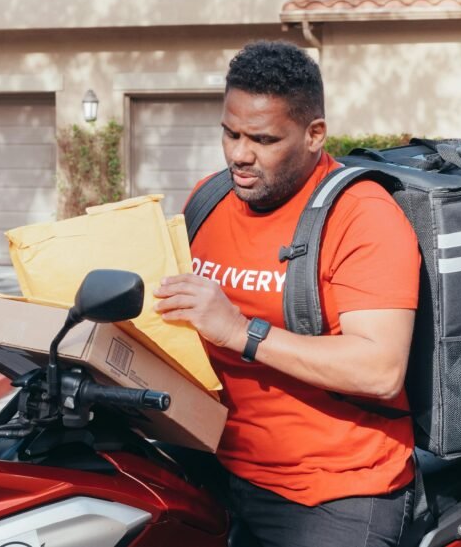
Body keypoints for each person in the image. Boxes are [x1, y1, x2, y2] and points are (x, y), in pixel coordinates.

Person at [154, 40, 421, 547]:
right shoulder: (209, 198)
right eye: (230, 133)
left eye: (263, 139)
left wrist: (240, 331)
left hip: (331, 490)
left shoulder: (363, 216)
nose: (239, 154)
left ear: (314, 134)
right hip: (216, 464)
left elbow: (380, 369)